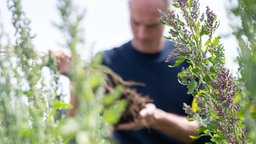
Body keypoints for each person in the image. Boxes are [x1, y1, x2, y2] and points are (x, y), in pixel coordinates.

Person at [56, 0, 210, 143]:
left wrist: (158, 119)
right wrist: (76, 79)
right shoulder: (107, 62)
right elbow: (74, 130)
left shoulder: (191, 61)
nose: (142, 33)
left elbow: (209, 130)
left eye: (151, 25)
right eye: (136, 22)